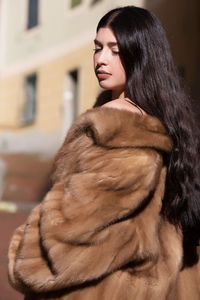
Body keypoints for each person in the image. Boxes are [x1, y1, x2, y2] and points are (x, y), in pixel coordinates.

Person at [8, 6, 200, 300]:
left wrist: (24, 251)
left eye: (115, 50)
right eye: (98, 48)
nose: (101, 59)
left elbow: (73, 234)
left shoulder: (116, 128)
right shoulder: (165, 123)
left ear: (140, 54)